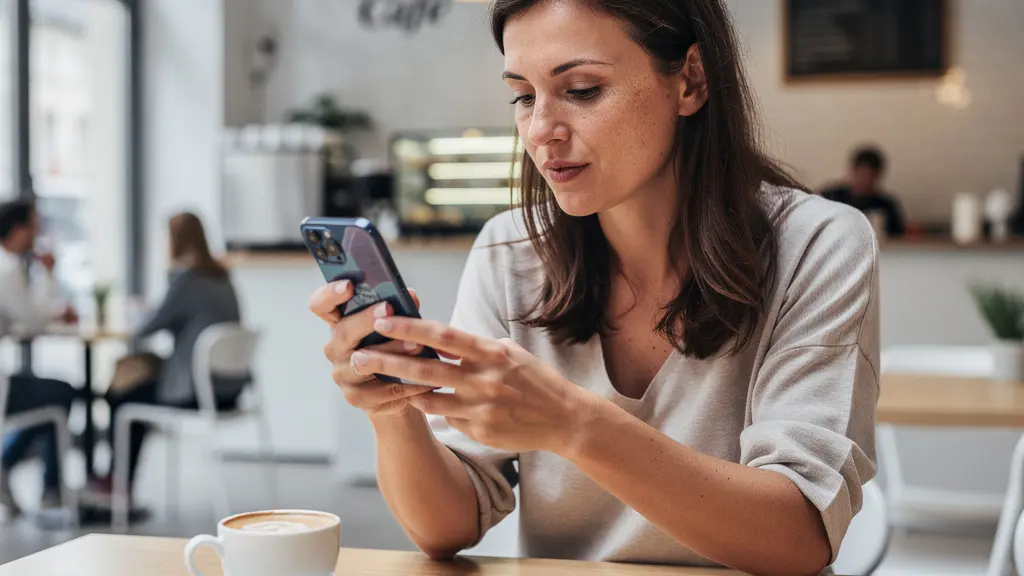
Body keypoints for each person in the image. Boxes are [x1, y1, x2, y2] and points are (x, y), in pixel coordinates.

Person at [310, 1, 879, 575]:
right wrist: (393, 405)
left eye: (582, 90)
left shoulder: (817, 244)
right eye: (523, 96)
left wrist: (574, 424)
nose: (540, 131)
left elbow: (798, 539)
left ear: (690, 81)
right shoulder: (511, 253)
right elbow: (444, 527)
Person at [87, 212, 246, 497]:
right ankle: (118, 484)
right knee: (134, 384)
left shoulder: (187, 279)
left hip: (197, 390)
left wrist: (138, 312)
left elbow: (149, 327)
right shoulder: (222, 277)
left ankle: (116, 484)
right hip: (229, 389)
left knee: (122, 396)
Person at [0, 198, 79, 516]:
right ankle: (48, 487)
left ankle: (15, 469)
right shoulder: (7, 269)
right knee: (60, 393)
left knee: (50, 396)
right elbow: (33, 321)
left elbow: (28, 315)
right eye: (35, 226)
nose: (38, 233)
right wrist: (49, 275)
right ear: (20, 230)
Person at [821, 146, 906, 237]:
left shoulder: (886, 206)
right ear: (852, 171)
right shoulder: (831, 197)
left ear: (878, 176)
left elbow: (898, 238)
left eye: (870, 176)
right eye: (861, 174)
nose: (864, 181)